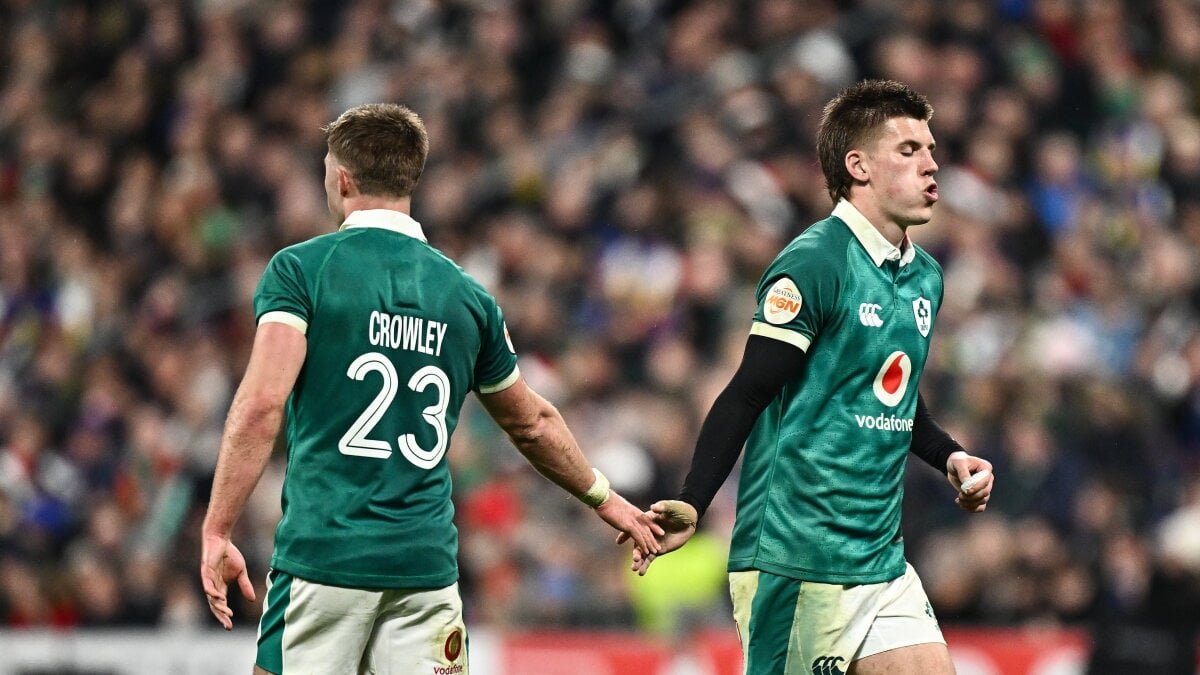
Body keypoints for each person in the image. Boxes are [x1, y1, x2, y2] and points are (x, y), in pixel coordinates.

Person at [198, 103, 661, 674]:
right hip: (425, 570)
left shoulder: (302, 270)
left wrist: (218, 528)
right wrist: (606, 500)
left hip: (326, 557)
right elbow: (532, 422)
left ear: (342, 178)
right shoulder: (468, 297)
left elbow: (262, 404)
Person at [625, 80, 996, 674]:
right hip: (797, 558)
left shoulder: (924, 275)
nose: (931, 164)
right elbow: (748, 391)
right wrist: (694, 500)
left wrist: (948, 454)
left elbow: (893, 393)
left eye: (930, 149)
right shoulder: (815, 263)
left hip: (879, 558)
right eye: (908, 150)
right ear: (859, 166)